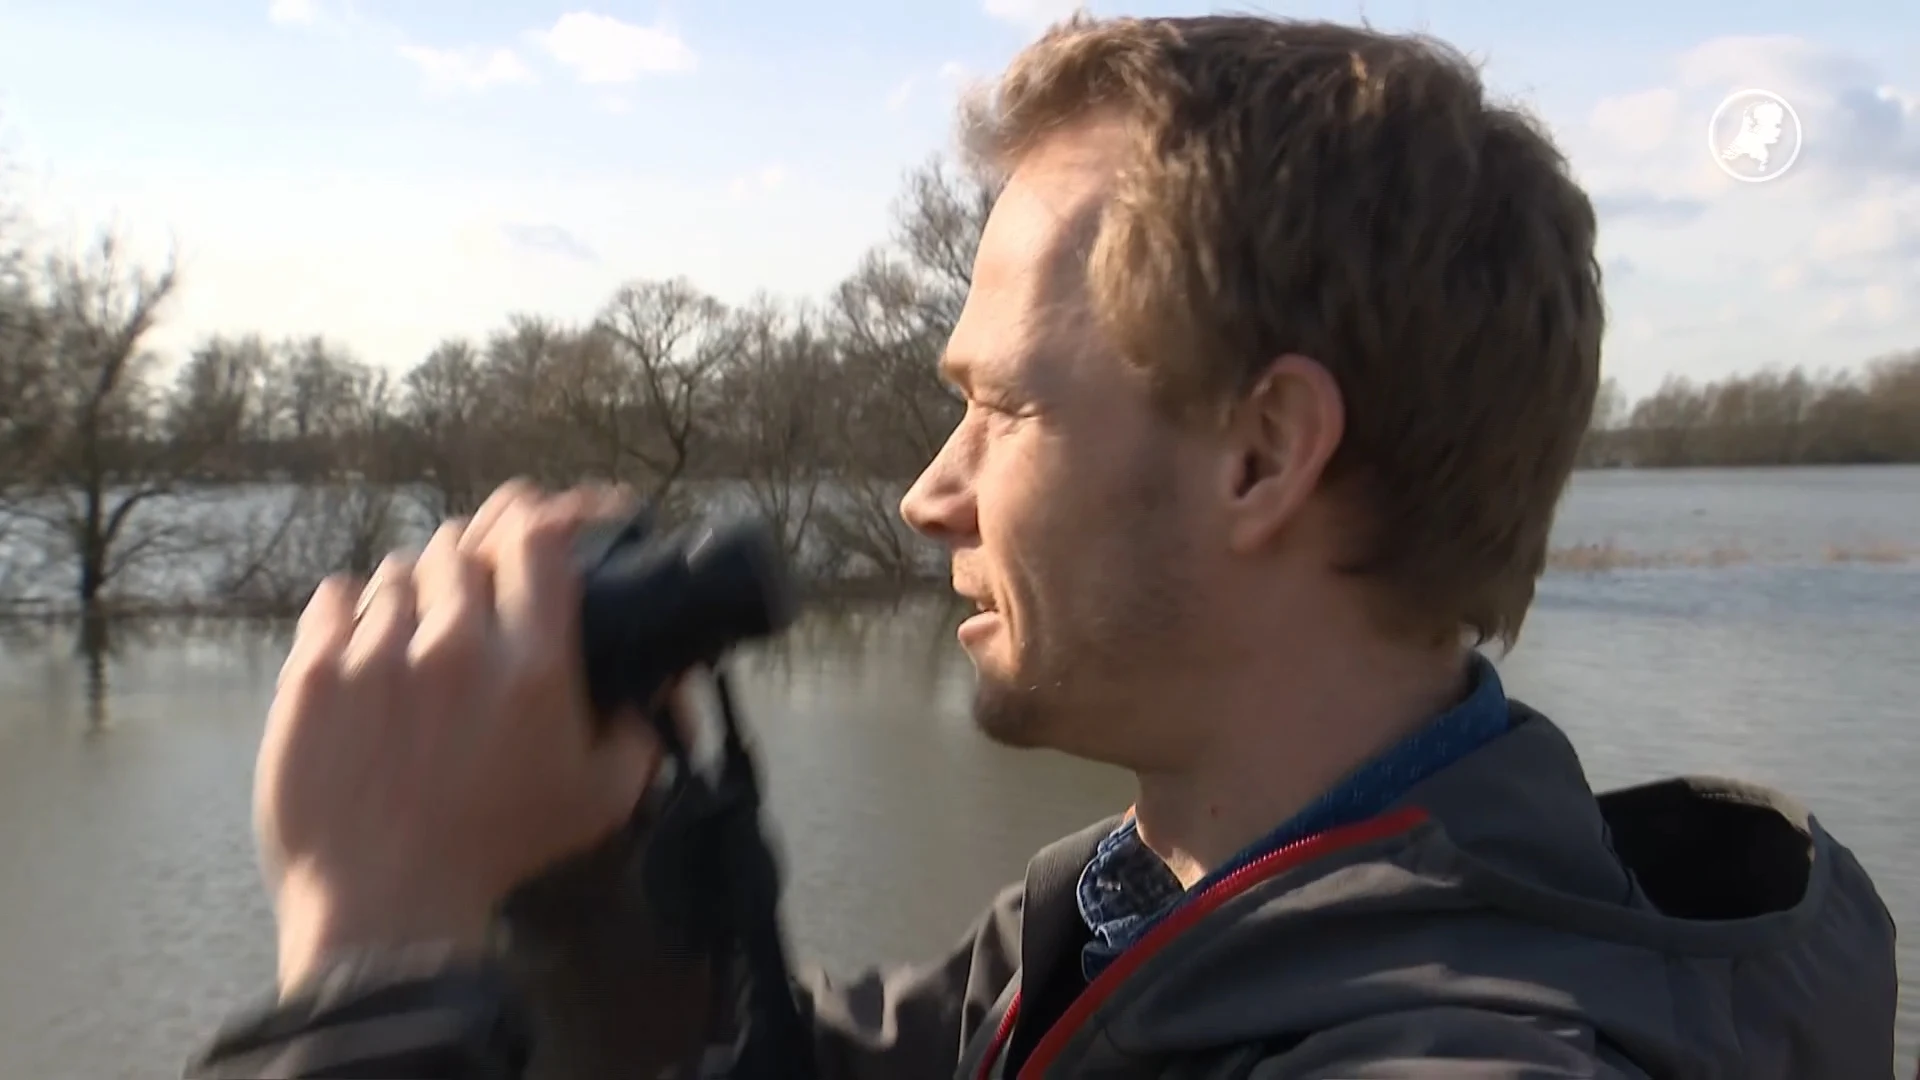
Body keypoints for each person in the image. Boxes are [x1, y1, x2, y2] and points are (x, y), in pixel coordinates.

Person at [186, 14, 1899, 1080]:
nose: (930, 495)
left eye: (1001, 406)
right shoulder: (1130, 925)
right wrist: (580, 875)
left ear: (1262, 454)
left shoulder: (1461, 1049)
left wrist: (366, 964)